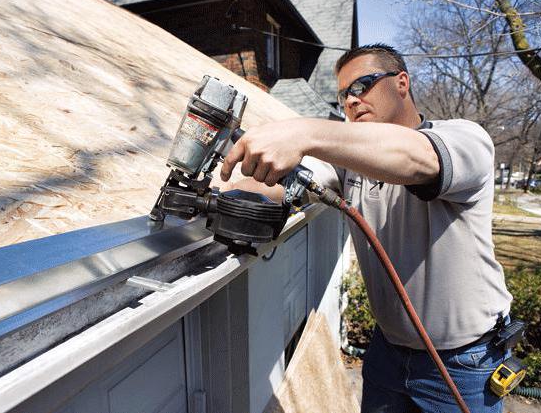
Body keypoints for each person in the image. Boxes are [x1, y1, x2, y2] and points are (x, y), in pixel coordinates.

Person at [219, 44, 513, 413]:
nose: (352, 101)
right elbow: (292, 183)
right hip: (387, 353)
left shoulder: (465, 139)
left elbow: (416, 158)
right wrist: (231, 180)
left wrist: (305, 132)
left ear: (401, 83)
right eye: (344, 95)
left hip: (461, 364)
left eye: (363, 85)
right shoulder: (350, 164)